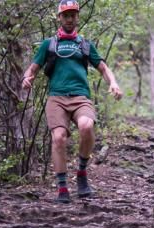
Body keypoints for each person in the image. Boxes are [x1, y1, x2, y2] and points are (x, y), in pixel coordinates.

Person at [22, 0, 122, 203]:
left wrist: (113, 83)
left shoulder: (85, 44)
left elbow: (103, 68)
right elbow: (32, 68)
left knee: (86, 126)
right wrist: (26, 78)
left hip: (80, 97)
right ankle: (62, 188)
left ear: (77, 18)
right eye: (65, 15)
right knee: (59, 138)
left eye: (72, 15)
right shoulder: (49, 44)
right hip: (56, 98)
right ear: (59, 18)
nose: (69, 19)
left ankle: (82, 174)